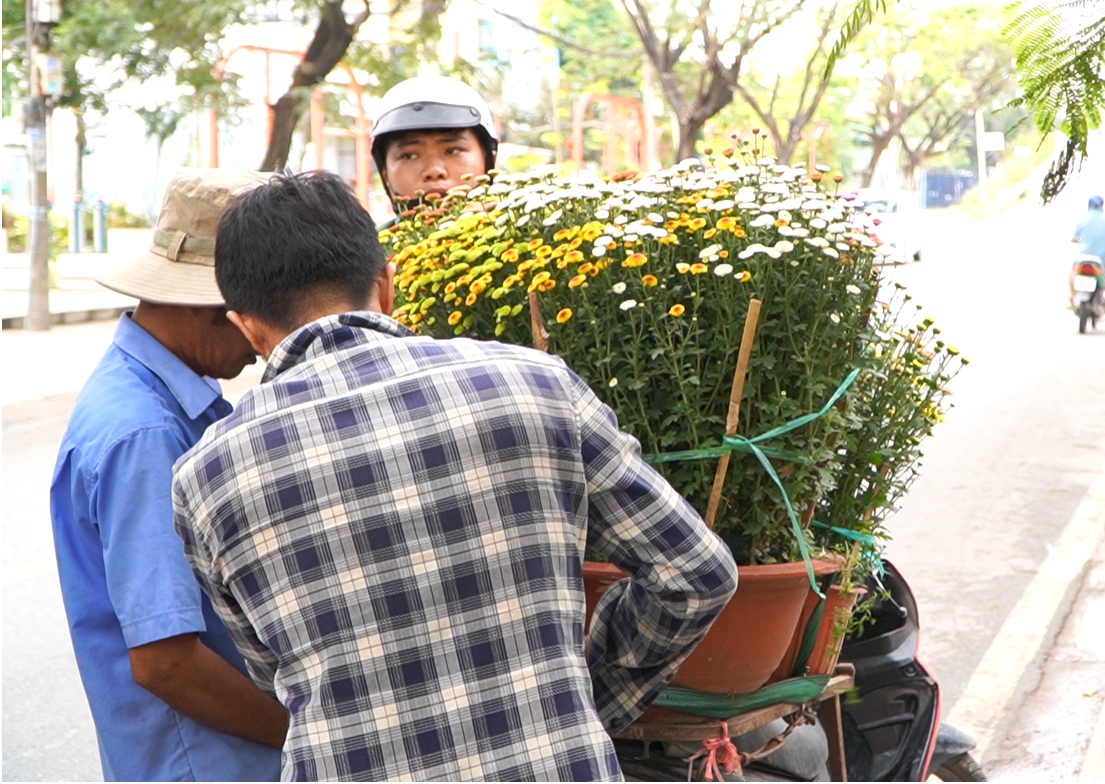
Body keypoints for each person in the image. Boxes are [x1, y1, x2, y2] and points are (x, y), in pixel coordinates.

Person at [173, 171, 738, 782]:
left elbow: (276, 670)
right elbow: (695, 574)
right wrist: (585, 700)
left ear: (246, 326)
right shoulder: (537, 386)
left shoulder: (205, 477)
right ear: (386, 285)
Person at [50, 169, 286, 782]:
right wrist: (306, 734)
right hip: (205, 761)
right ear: (214, 308)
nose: (262, 345)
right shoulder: (145, 433)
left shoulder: (159, 394)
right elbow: (166, 661)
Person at [371, 75, 499, 228]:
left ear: (489, 162)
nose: (434, 170)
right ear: (386, 175)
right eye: (409, 156)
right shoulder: (366, 250)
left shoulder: (525, 239)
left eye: (452, 151)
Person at [1069, 195, 1105, 313]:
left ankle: (1072, 297)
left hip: (1083, 258)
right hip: (1103, 261)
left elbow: (1073, 238)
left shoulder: (1082, 221)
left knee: (1073, 273)